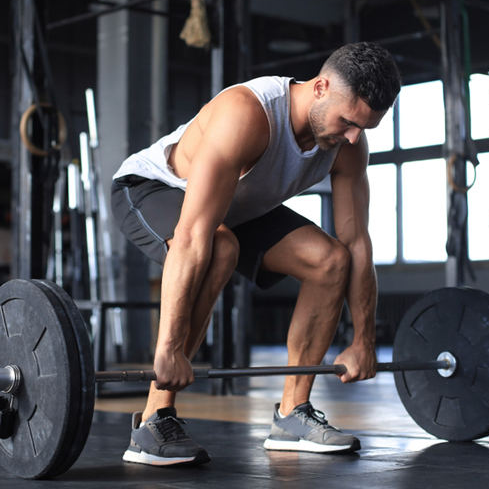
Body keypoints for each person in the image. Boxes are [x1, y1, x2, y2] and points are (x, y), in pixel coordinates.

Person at [110, 42, 401, 466]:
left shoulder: (350, 144)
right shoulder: (248, 113)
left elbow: (356, 242)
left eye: (365, 127)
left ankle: (292, 416)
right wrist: (168, 348)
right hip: (156, 189)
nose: (354, 136)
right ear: (320, 87)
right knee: (220, 247)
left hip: (240, 206)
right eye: (349, 121)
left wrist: (363, 341)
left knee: (330, 261)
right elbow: (194, 234)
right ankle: (153, 420)